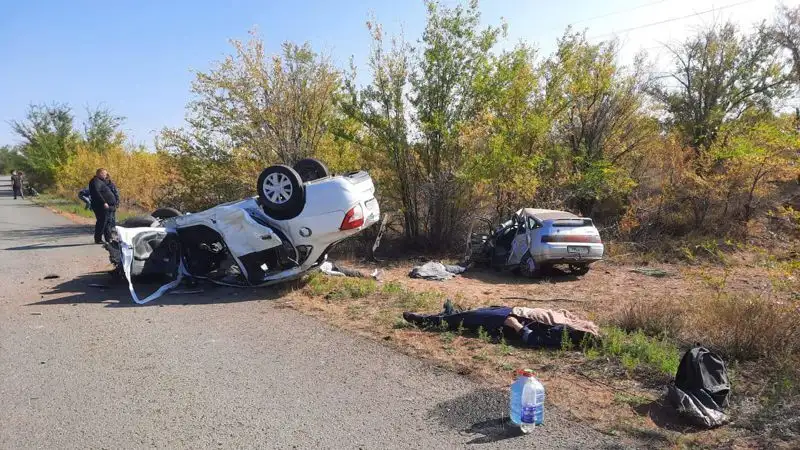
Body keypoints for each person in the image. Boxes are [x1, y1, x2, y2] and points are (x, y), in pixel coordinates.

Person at [403, 301, 600, 349]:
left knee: (467, 318)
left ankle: (424, 320)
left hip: (509, 321)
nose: (588, 326)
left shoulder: (563, 336)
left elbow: (534, 340)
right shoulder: (574, 325)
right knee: (473, 313)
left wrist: (515, 325)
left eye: (588, 329)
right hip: (516, 310)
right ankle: (446, 314)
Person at [88, 168, 117, 244]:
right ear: (99, 173)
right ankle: (98, 239)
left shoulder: (102, 182)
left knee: (108, 222)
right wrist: (104, 202)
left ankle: (109, 238)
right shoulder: (95, 181)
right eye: (104, 174)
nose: (106, 175)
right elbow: (96, 193)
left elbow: (110, 184)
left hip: (108, 206)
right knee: (102, 222)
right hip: (101, 205)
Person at [104, 173, 120, 239]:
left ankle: (111, 235)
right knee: (108, 221)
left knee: (111, 220)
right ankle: (108, 236)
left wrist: (117, 202)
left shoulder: (111, 185)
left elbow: (116, 194)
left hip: (112, 205)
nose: (106, 179)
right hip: (105, 205)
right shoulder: (102, 185)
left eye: (106, 178)